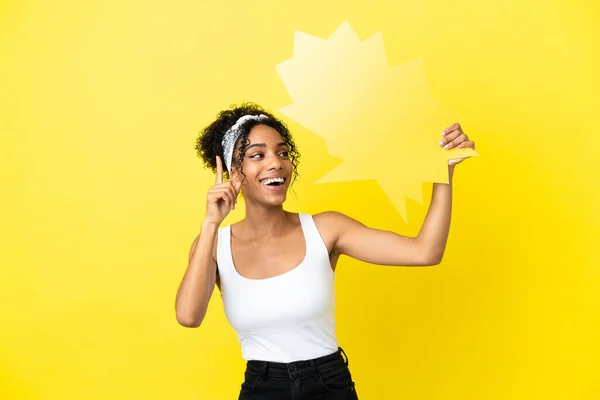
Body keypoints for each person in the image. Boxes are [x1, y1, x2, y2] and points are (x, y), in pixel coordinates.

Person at [175, 102, 475, 399]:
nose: (276, 163)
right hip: (261, 387)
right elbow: (189, 316)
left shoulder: (326, 229)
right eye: (257, 155)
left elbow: (424, 252)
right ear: (234, 173)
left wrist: (443, 171)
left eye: (283, 153)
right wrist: (211, 223)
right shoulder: (212, 244)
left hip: (328, 384)